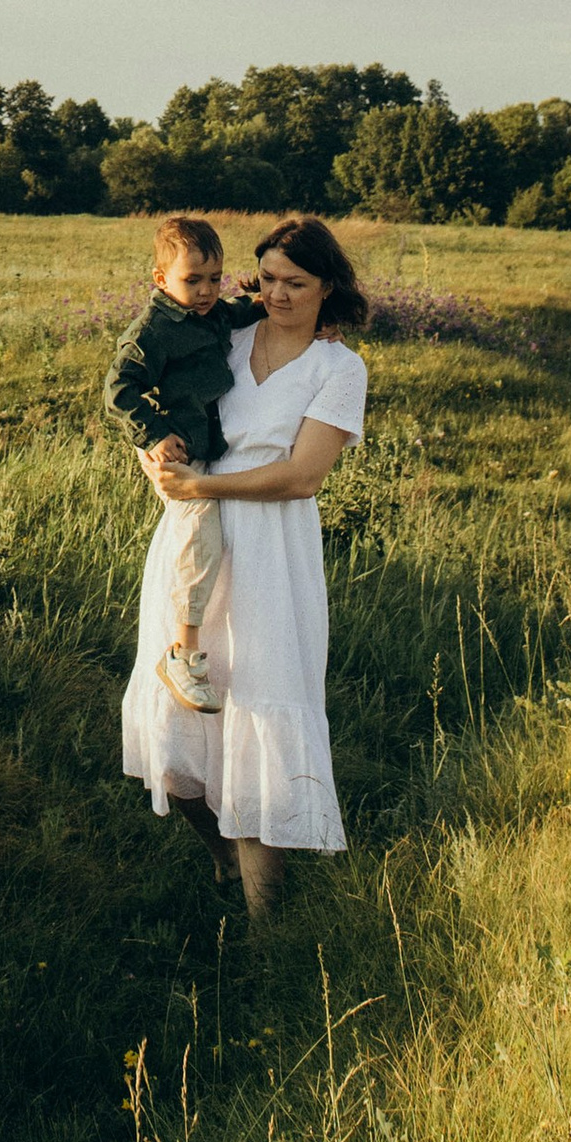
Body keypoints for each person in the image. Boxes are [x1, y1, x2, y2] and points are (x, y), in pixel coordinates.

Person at [118, 214, 370, 923]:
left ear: (329, 288)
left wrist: (205, 488)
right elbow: (149, 395)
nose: (279, 295)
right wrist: (158, 461)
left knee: (259, 711)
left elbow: (301, 477)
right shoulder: (221, 334)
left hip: (271, 552)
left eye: (297, 283)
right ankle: (224, 857)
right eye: (268, 280)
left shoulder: (338, 367)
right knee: (176, 730)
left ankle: (267, 932)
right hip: (195, 539)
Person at [100, 216, 260, 710]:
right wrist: (153, 435)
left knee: (217, 542)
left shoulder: (211, 312)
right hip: (179, 453)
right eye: (193, 280)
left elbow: (243, 312)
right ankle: (182, 654)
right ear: (161, 280)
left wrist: (316, 319)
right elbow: (118, 389)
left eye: (215, 278)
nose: (207, 290)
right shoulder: (155, 329)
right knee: (201, 535)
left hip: (210, 447)